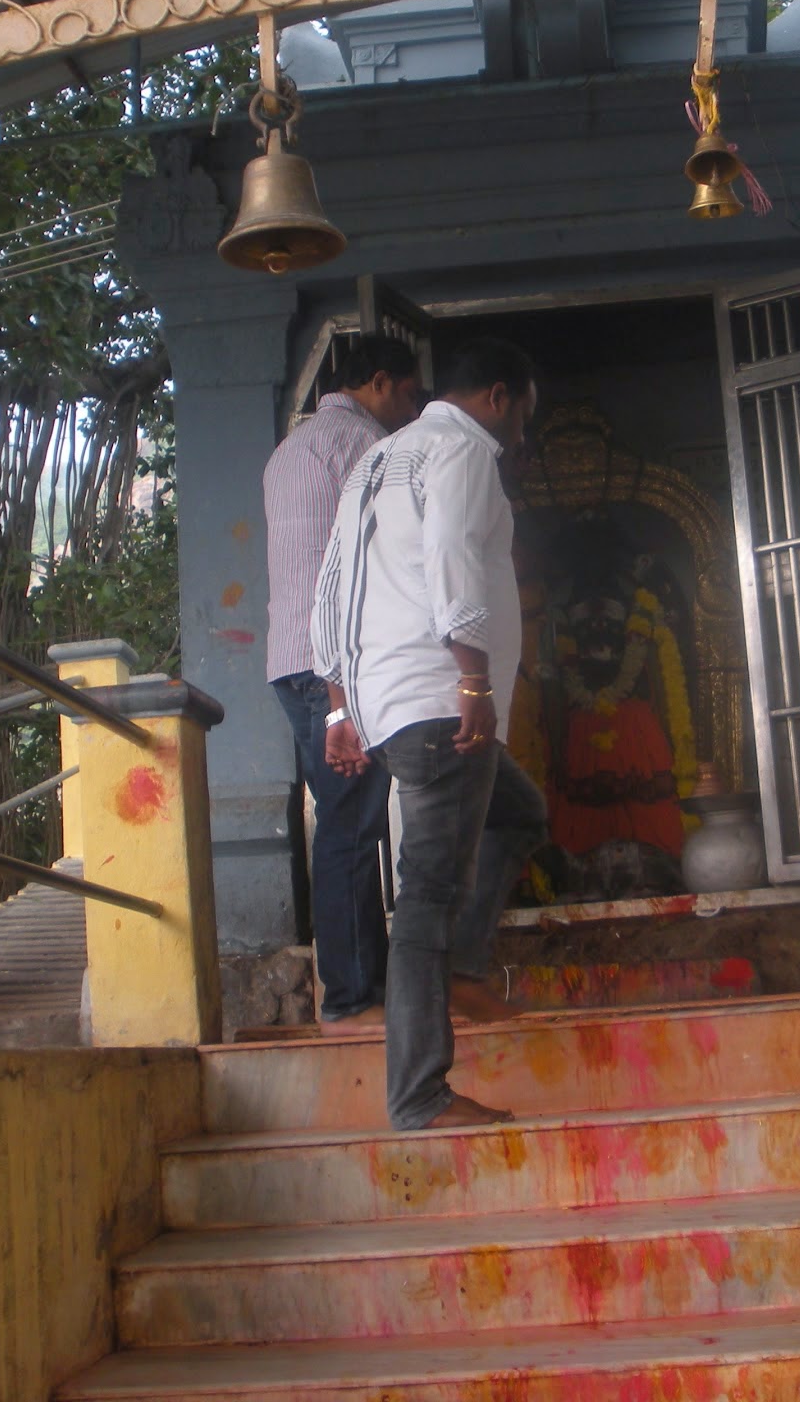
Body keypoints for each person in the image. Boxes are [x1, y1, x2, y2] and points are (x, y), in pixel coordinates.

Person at [311, 338, 546, 1129]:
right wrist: (472, 679)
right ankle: (419, 1095)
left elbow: (333, 584)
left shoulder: (377, 460)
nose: (521, 434)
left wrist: (341, 706)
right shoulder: (463, 450)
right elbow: (452, 557)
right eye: (523, 415)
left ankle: (465, 972)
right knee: (427, 896)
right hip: (439, 699)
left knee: (519, 813)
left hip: (388, 701)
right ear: (500, 396)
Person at [263, 334, 422, 1035]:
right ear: (379, 382)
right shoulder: (366, 446)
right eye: (409, 394)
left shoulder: (291, 449)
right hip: (338, 665)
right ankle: (353, 999)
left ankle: (361, 987)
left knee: (344, 821)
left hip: (291, 659)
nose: (412, 410)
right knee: (352, 827)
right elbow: (367, 569)